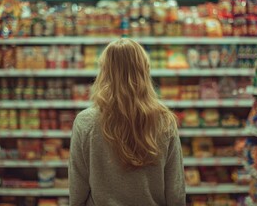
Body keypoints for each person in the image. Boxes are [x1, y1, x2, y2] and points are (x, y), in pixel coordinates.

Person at [69, 38, 186, 206]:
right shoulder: (164, 120)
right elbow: (176, 191)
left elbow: (77, 190)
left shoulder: (85, 122)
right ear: (144, 70)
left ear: (104, 72)